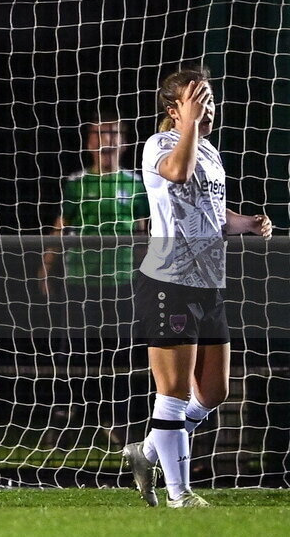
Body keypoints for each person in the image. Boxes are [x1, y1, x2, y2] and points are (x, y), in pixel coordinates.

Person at [121, 66, 272, 508]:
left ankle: (148, 450)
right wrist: (187, 125)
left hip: (208, 282)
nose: (208, 111)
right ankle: (178, 494)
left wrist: (248, 223)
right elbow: (179, 174)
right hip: (169, 280)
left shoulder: (209, 151)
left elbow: (214, 215)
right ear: (174, 110)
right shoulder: (161, 144)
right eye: (198, 103)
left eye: (210, 103)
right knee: (173, 393)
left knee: (213, 392)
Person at [38, 113, 149, 448]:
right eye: (100, 134)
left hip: (121, 279)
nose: (107, 140)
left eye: (113, 134)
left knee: (119, 352)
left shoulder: (135, 183)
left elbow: (144, 229)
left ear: (124, 141)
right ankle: (66, 416)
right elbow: (61, 226)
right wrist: (46, 266)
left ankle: (116, 418)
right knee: (73, 351)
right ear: (89, 142)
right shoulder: (77, 182)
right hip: (81, 280)